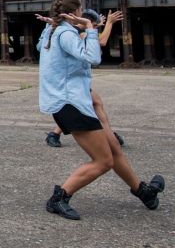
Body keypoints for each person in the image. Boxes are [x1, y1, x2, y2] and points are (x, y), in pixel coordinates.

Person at [38, 0, 165, 220]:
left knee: (113, 147)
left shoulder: (54, 29)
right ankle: (59, 198)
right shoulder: (65, 33)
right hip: (71, 103)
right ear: (75, 11)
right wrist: (91, 29)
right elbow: (93, 57)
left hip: (76, 99)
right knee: (104, 161)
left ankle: (143, 192)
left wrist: (60, 26)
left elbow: (43, 47)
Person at [43, 10, 126, 149]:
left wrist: (96, 26)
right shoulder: (75, 31)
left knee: (95, 103)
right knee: (86, 106)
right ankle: (108, 134)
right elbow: (102, 42)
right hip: (73, 80)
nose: (94, 28)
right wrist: (109, 24)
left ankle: (56, 133)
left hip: (77, 78)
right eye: (93, 25)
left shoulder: (77, 31)